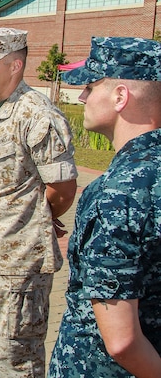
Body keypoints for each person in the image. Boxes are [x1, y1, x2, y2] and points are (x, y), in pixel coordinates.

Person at [0, 27, 78, 377]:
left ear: (15, 65)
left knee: (17, 358)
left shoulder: (37, 115)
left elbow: (63, 187)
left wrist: (38, 216)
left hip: (17, 264)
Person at [49, 36, 161, 378]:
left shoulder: (119, 192)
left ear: (120, 96)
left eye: (91, 85)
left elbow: (122, 342)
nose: (82, 96)